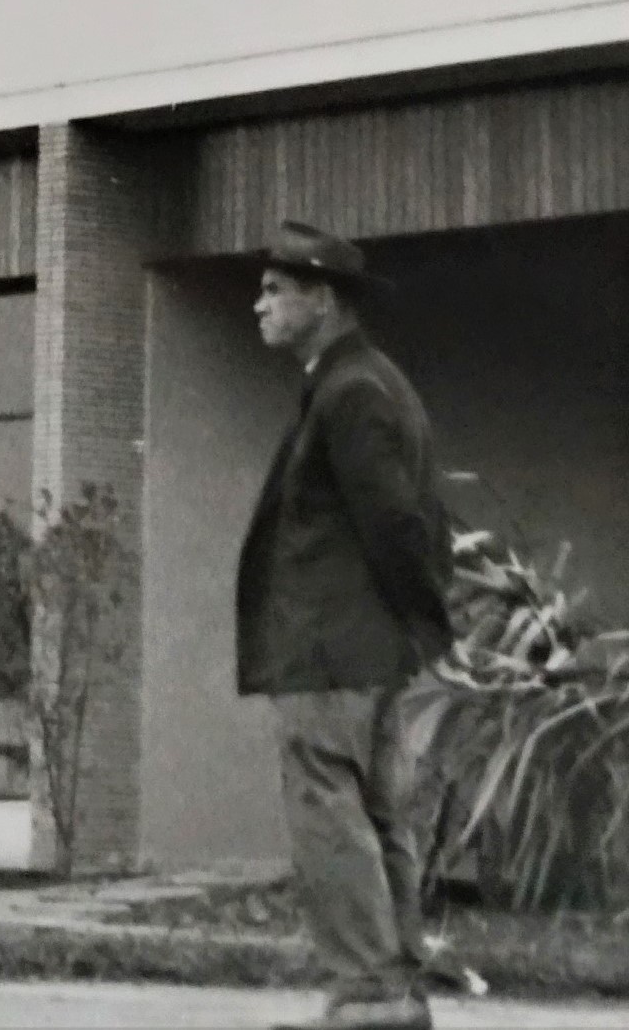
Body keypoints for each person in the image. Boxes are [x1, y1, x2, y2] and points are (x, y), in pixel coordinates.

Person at [236, 221, 455, 1030]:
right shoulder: (363, 382)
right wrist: (424, 632)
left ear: (321, 300)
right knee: (375, 816)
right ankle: (395, 994)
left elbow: (396, 523)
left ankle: (367, 997)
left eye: (273, 290)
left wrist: (427, 624)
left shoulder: (351, 390)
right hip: (366, 652)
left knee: (331, 818)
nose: (257, 303)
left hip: (332, 655)